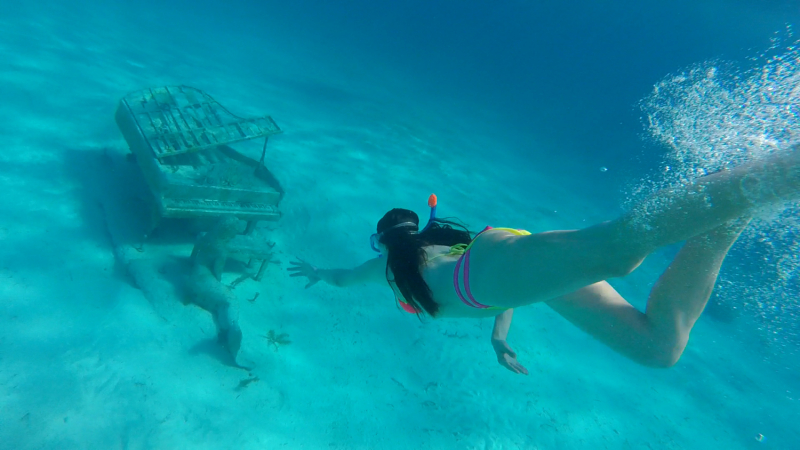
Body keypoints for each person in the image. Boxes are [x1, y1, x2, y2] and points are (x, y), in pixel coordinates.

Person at [289, 149, 800, 374]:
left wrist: (316, 273)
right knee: (658, 349)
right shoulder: (405, 261)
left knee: (620, 252)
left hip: (495, 269)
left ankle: (766, 175)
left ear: (380, 241)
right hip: (503, 275)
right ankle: (733, 215)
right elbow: (503, 295)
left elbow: (339, 278)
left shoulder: (383, 269)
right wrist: (499, 341)